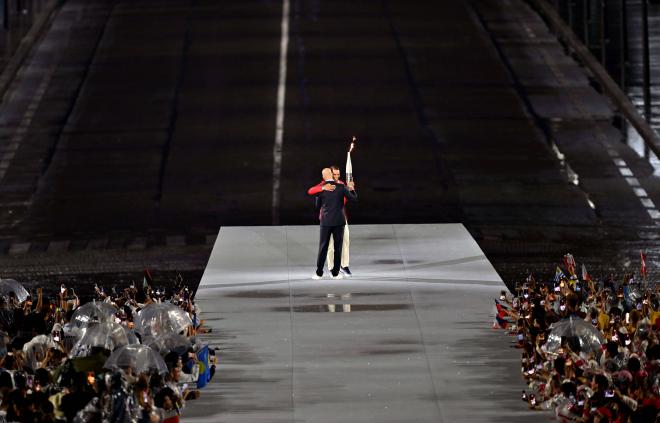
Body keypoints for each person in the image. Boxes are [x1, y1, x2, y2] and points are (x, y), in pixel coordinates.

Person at [309, 168, 356, 280]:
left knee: (330, 246)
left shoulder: (339, 186)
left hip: (331, 220)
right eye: (334, 174)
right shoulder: (335, 187)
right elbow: (353, 199)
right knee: (333, 247)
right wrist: (351, 190)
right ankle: (333, 271)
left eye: (338, 174)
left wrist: (349, 188)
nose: (337, 176)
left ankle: (328, 271)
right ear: (331, 174)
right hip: (337, 220)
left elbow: (317, 205)